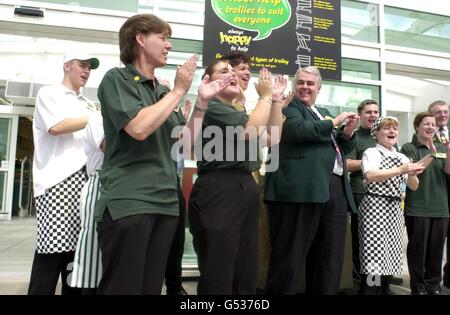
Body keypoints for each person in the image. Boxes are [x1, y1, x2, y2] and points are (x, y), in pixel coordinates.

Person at [95, 13, 206, 294]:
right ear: (140, 39)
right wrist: (179, 91)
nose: (168, 45)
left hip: (166, 204)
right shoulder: (117, 79)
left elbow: (185, 143)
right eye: (163, 38)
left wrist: (202, 103)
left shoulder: (162, 92)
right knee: (124, 287)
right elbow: (139, 128)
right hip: (130, 202)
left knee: (149, 288)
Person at [188, 60, 285, 295]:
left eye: (233, 71)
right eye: (224, 71)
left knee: (246, 264)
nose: (232, 74)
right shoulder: (213, 107)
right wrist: (263, 97)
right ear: (208, 83)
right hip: (219, 187)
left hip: (243, 185)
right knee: (220, 266)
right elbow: (250, 132)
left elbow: (272, 137)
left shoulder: (238, 112)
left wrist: (275, 100)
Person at [264, 66, 359, 295]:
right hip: (299, 189)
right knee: (290, 256)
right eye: (301, 83)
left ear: (319, 88)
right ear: (294, 86)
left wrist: (346, 135)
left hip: (333, 188)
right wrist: (334, 123)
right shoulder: (289, 107)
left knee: (329, 257)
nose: (305, 87)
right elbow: (295, 131)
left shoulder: (321, 111)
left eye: (310, 83)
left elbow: (337, 147)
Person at [29, 53, 100, 295]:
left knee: (76, 253)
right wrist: (96, 117)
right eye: (82, 65)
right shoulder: (49, 94)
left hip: (85, 181)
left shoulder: (87, 103)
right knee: (52, 252)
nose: (87, 71)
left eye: (90, 67)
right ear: (66, 66)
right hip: (57, 182)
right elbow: (56, 127)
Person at [358, 116, 424, 295]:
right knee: (373, 254)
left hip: (394, 208)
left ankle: (384, 290)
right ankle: (371, 292)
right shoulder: (371, 153)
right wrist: (402, 169)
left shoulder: (402, 156)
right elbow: (370, 176)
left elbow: (414, 186)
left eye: (394, 128)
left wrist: (412, 172)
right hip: (375, 204)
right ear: (376, 134)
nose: (392, 132)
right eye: (387, 128)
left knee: (391, 253)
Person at [401, 112, 450, 295]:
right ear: (417, 127)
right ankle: (418, 286)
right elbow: (414, 170)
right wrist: (431, 154)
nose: (430, 127)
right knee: (417, 251)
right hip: (417, 208)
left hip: (441, 208)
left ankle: (433, 284)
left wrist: (448, 150)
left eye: (433, 124)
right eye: (426, 124)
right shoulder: (408, 147)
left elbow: (448, 170)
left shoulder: (441, 147)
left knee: (436, 251)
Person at [70, 111, 104, 294]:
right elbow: (110, 147)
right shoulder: (99, 118)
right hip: (101, 182)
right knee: (92, 259)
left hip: (132, 186)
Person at [346, 99, 379, 284]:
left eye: (375, 111)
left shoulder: (383, 135)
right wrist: (372, 162)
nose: (372, 115)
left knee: (379, 243)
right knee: (362, 241)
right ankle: (360, 283)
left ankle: (378, 284)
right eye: (368, 112)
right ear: (360, 115)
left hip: (384, 196)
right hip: (361, 193)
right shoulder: (355, 136)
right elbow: (348, 165)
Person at [428, 100, 450, 289]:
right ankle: (432, 281)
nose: (442, 115)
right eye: (438, 112)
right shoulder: (425, 136)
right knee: (436, 242)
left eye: (445, 111)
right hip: (438, 194)